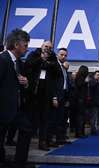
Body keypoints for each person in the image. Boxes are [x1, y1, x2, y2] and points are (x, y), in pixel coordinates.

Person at [0, 29, 34, 168]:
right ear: (16, 45)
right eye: (25, 45)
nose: (27, 48)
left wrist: (25, 83)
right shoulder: (2, 60)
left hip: (15, 108)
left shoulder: (19, 62)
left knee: (26, 128)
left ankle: (20, 162)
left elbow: (17, 83)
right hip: (3, 108)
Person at [25, 41, 60, 151]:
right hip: (33, 92)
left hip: (46, 93)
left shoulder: (53, 57)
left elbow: (57, 71)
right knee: (30, 118)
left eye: (50, 47)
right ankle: (25, 141)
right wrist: (41, 59)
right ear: (41, 46)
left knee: (45, 119)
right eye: (46, 46)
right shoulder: (33, 54)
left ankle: (43, 142)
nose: (47, 49)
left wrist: (47, 63)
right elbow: (28, 65)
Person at [48, 48, 71, 146]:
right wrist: (54, 97)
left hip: (63, 96)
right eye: (61, 54)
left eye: (65, 55)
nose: (63, 57)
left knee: (61, 119)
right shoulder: (54, 65)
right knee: (53, 120)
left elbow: (65, 83)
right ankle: (49, 140)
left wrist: (66, 98)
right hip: (56, 97)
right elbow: (52, 83)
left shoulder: (64, 67)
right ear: (57, 55)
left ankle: (60, 139)